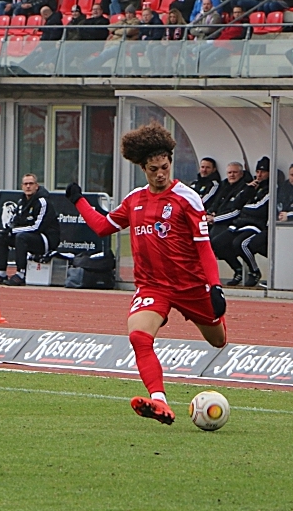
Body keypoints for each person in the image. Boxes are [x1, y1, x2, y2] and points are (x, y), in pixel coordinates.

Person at [65, 122, 226, 426]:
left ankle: (214, 317)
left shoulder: (187, 198)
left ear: (170, 163)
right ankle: (159, 401)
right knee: (139, 337)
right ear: (143, 168)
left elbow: (204, 248)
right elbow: (103, 227)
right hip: (152, 286)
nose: (160, 173)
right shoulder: (135, 200)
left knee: (218, 340)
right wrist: (79, 201)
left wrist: (215, 288)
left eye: (164, 167)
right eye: (153, 169)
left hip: (191, 286)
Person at [0, 174, 60, 286]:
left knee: (21, 237)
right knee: (1, 237)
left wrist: (14, 231)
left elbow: (37, 227)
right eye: (25, 184)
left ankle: (21, 274)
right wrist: (8, 230)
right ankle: (1, 273)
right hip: (28, 235)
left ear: (36, 186)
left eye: (31, 184)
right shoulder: (21, 202)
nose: (28, 186)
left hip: (46, 239)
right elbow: (16, 221)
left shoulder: (43, 202)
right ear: (22, 186)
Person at [209, 157, 271, 287]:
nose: (259, 175)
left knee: (241, 244)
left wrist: (243, 208)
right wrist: (249, 190)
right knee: (217, 242)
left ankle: (254, 271)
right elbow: (237, 203)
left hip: (256, 224)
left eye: (263, 172)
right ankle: (237, 270)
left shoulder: (270, 188)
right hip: (240, 223)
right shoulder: (251, 186)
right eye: (258, 171)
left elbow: (258, 208)